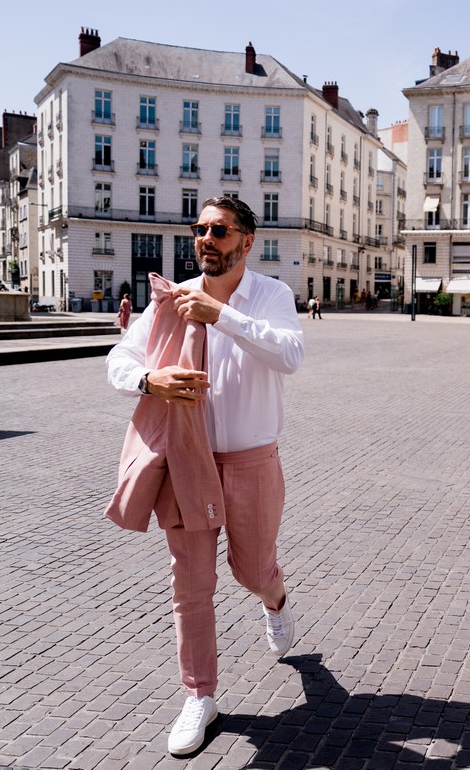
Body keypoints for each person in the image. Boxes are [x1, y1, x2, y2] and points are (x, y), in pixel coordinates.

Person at [105, 195, 304, 755]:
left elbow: (290, 355)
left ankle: (276, 597)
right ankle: (200, 696)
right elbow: (119, 360)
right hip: (186, 464)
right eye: (200, 228)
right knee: (190, 586)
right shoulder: (170, 301)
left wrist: (225, 317)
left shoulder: (271, 295)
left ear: (246, 241)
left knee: (251, 570)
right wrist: (150, 380)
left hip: (252, 460)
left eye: (219, 229)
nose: (206, 238)